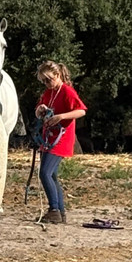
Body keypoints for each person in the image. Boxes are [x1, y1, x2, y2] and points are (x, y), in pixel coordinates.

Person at [33, 60, 87, 224]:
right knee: (53, 175)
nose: (46, 83)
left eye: (48, 79)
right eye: (43, 81)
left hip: (61, 139)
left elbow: (81, 111)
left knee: (45, 173)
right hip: (49, 138)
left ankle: (54, 209)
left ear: (57, 75)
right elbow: (37, 113)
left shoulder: (67, 92)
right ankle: (60, 212)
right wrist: (40, 110)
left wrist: (62, 117)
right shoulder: (49, 93)